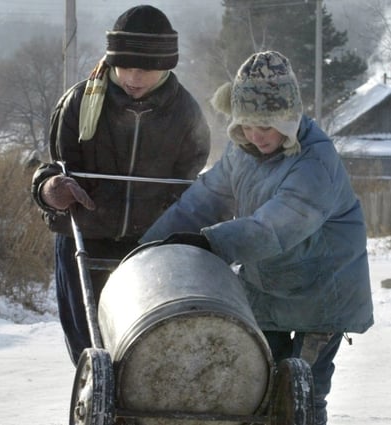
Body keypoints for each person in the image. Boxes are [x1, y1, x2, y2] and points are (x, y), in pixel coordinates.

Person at [140, 50, 374, 425]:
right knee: (260, 385)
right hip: (268, 287)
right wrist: (149, 250)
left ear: (288, 119)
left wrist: (212, 242)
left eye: (265, 125)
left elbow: (276, 227)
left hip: (325, 291)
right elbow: (201, 201)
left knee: (303, 389)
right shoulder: (242, 152)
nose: (255, 135)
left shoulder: (315, 162)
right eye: (246, 125)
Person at [31, 5, 210, 366]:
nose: (133, 76)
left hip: (150, 250)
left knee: (142, 356)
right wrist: (51, 189)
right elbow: (52, 168)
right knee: (92, 354)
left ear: (167, 66)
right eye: (125, 66)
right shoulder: (79, 103)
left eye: (145, 68)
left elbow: (189, 184)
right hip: (83, 241)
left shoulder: (185, 114)